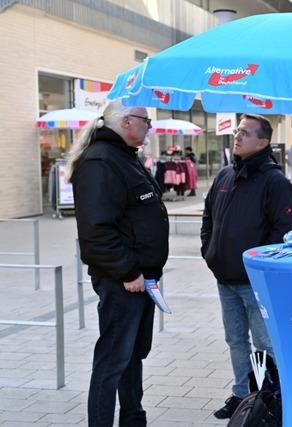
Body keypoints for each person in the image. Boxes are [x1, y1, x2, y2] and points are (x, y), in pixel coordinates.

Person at [67, 100, 169, 426]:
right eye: (146, 120)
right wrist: (128, 271)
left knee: (132, 356)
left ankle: (133, 419)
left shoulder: (125, 157)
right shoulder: (101, 163)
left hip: (140, 278)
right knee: (113, 359)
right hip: (123, 280)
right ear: (126, 121)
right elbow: (96, 232)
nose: (149, 126)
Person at [201, 113, 292, 419]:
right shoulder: (225, 175)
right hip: (224, 278)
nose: (237, 136)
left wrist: (259, 270)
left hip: (255, 283)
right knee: (235, 340)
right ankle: (242, 396)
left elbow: (282, 232)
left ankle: (270, 400)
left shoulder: (275, 181)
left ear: (263, 142)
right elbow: (208, 218)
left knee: (264, 343)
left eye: (245, 132)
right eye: (237, 131)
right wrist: (210, 252)